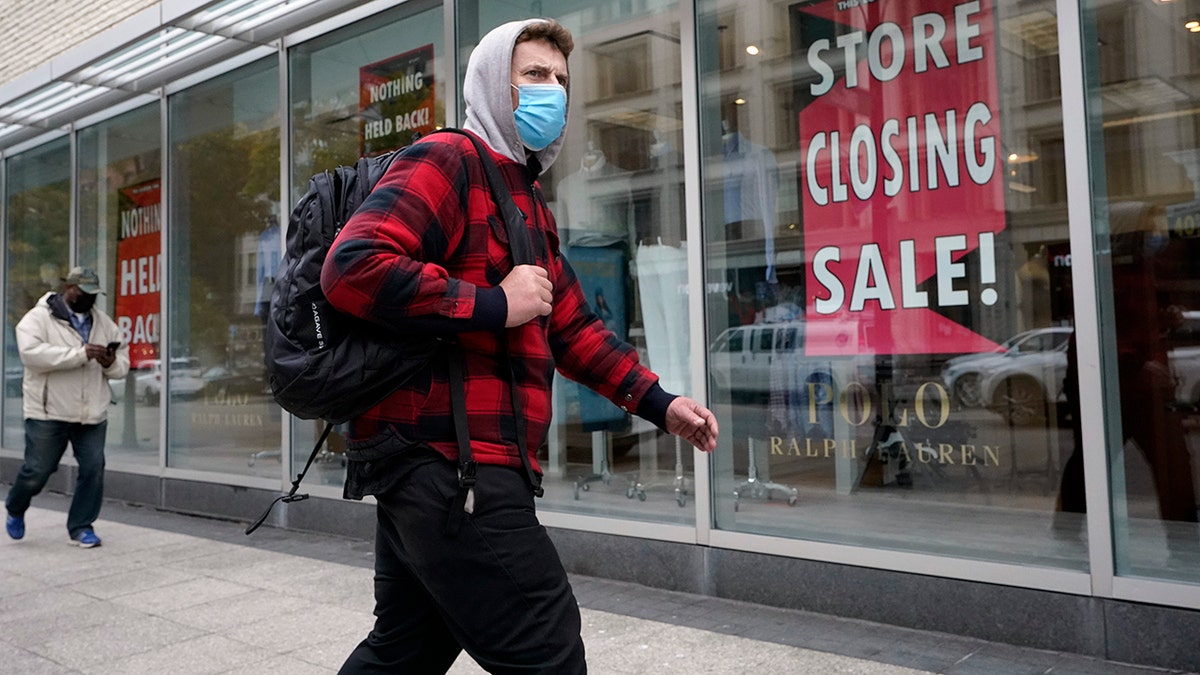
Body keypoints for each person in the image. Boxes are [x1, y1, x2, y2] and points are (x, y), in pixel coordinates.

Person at [321, 18, 719, 674]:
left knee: (405, 648)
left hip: (444, 461)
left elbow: (572, 327)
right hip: (450, 459)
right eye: (534, 75)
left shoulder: (526, 199)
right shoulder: (448, 160)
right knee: (546, 641)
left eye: (561, 80)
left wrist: (660, 403)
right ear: (492, 86)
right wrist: (494, 304)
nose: (552, 91)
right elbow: (353, 265)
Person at [5, 266, 129, 547]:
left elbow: (123, 363)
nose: (90, 299)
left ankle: (81, 526)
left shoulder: (104, 323)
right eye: (85, 293)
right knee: (37, 470)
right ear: (69, 288)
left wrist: (110, 362)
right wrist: (79, 354)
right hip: (49, 412)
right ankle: (15, 505)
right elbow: (31, 355)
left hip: (91, 412)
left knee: (93, 468)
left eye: (94, 294)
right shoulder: (38, 319)